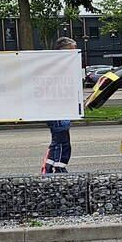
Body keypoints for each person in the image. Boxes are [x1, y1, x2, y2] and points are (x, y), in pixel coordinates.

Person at [43, 37, 78, 175]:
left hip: (60, 108)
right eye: (72, 50)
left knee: (59, 140)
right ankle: (57, 168)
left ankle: (50, 167)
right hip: (56, 109)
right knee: (61, 141)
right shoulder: (56, 66)